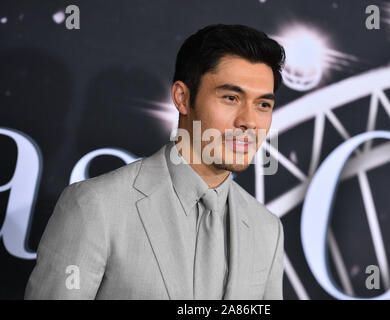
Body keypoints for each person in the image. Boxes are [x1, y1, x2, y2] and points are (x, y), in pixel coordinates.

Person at [25, 24, 286, 300]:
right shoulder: (95, 207)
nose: (248, 121)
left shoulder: (266, 229)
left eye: (263, 105)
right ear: (182, 98)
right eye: (231, 98)